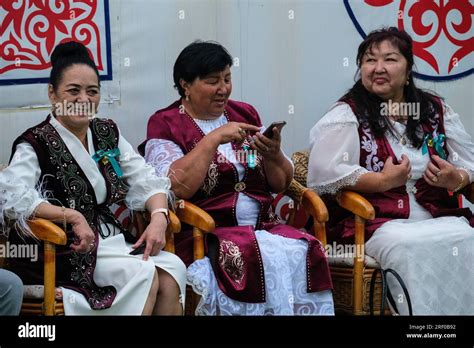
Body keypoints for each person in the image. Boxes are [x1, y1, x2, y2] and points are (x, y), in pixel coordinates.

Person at [139, 41, 334, 315]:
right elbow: (175, 186)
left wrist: (274, 155)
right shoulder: (167, 122)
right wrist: (213, 140)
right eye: (212, 81)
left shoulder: (245, 113)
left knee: (302, 249)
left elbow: (281, 182)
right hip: (206, 232)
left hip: (264, 225)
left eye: (227, 79)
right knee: (252, 254)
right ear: (185, 85)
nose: (223, 89)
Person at [0, 41, 186, 315]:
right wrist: (72, 216)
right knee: (141, 272)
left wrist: (159, 215)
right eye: (73, 91)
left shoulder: (106, 131)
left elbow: (145, 179)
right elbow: (13, 196)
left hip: (110, 241)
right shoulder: (35, 142)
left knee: (173, 270)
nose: (84, 100)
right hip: (67, 249)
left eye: (92, 91)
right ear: (52, 93)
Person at [308, 27, 474, 315]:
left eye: (390, 59)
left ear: (408, 68)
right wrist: (382, 181)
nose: (379, 68)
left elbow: (468, 164)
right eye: (370, 60)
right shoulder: (348, 114)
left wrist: (455, 178)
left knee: (467, 237)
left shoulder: (434, 110)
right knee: (405, 243)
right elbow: (324, 176)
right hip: (376, 223)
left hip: (437, 215)